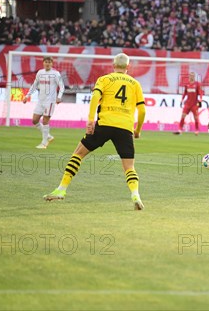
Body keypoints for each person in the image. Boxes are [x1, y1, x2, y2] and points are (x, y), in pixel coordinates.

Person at [43, 53, 147, 210]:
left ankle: (61, 190)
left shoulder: (104, 79)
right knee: (129, 167)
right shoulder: (135, 84)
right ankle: (135, 195)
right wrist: (137, 130)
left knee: (78, 154)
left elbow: (94, 98)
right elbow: (142, 110)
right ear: (128, 67)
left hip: (104, 124)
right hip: (125, 128)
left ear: (113, 66)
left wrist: (90, 120)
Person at [23, 56, 65, 149]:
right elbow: (34, 85)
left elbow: (62, 86)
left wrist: (59, 97)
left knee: (45, 121)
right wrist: (27, 96)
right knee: (34, 120)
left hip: (50, 102)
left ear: (52, 63)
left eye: (49, 62)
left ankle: (44, 143)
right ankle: (49, 136)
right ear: (43, 63)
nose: (47, 63)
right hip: (40, 101)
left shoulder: (55, 74)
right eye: (46, 62)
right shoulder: (40, 73)